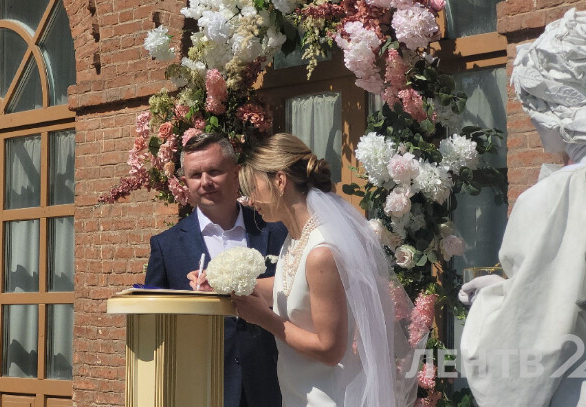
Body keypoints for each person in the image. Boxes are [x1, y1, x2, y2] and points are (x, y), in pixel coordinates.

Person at [459, 8, 586, 406]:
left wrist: (490, 303)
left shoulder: (552, 199)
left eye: (531, 102)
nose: (530, 120)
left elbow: (525, 348)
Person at [192, 133, 419, 407]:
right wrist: (221, 284)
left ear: (279, 181)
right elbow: (291, 286)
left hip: (328, 397)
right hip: (298, 394)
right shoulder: (296, 238)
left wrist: (265, 319)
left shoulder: (321, 252)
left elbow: (330, 350)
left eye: (254, 187)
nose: (249, 199)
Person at [144, 133, 287, 407]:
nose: (205, 182)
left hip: (272, 384)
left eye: (214, 171)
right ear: (185, 181)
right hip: (201, 387)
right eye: (195, 175)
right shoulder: (167, 246)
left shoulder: (274, 230)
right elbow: (153, 327)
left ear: (235, 173)